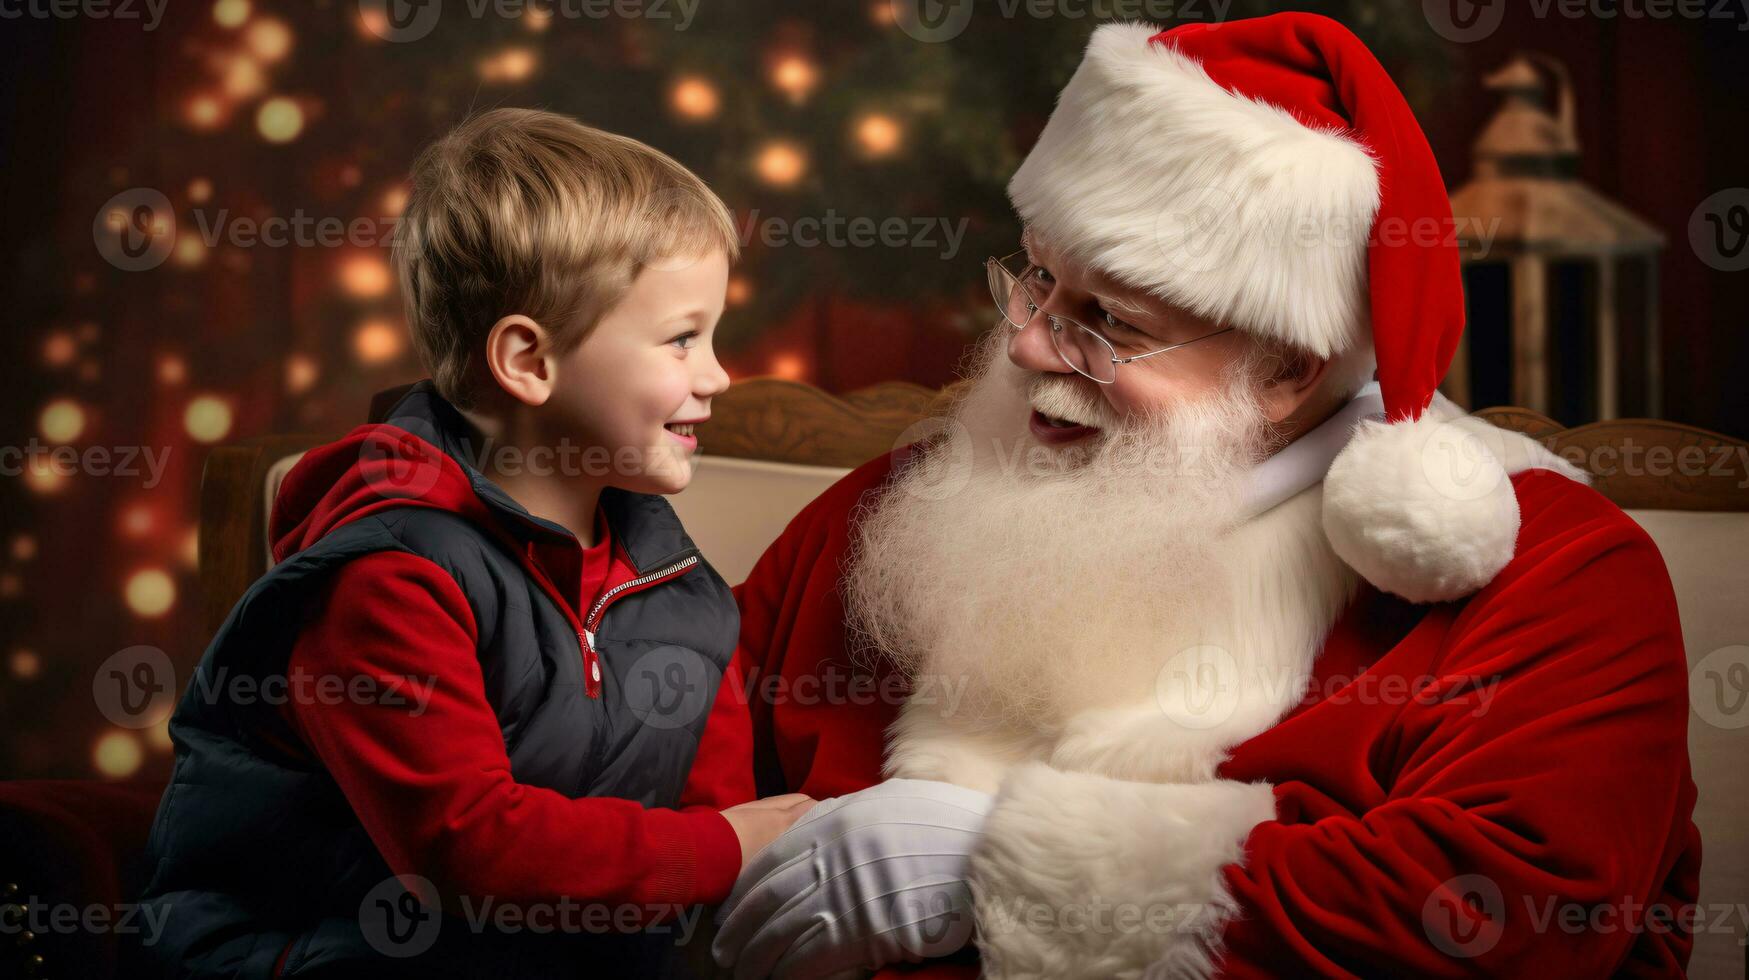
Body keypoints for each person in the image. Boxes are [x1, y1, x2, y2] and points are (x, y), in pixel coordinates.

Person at [712, 15, 1700, 979]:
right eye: (1037, 280)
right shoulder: (896, 509)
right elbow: (652, 776)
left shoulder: (1554, 572)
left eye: (1109, 320)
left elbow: (1517, 912)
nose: (1027, 344)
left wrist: (1002, 865)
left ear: (1286, 369)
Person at [138, 108, 812, 978]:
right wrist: (723, 847)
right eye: (682, 338)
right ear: (529, 362)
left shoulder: (681, 592)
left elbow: (713, 825)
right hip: (321, 953)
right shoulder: (389, 577)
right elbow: (466, 853)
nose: (718, 375)